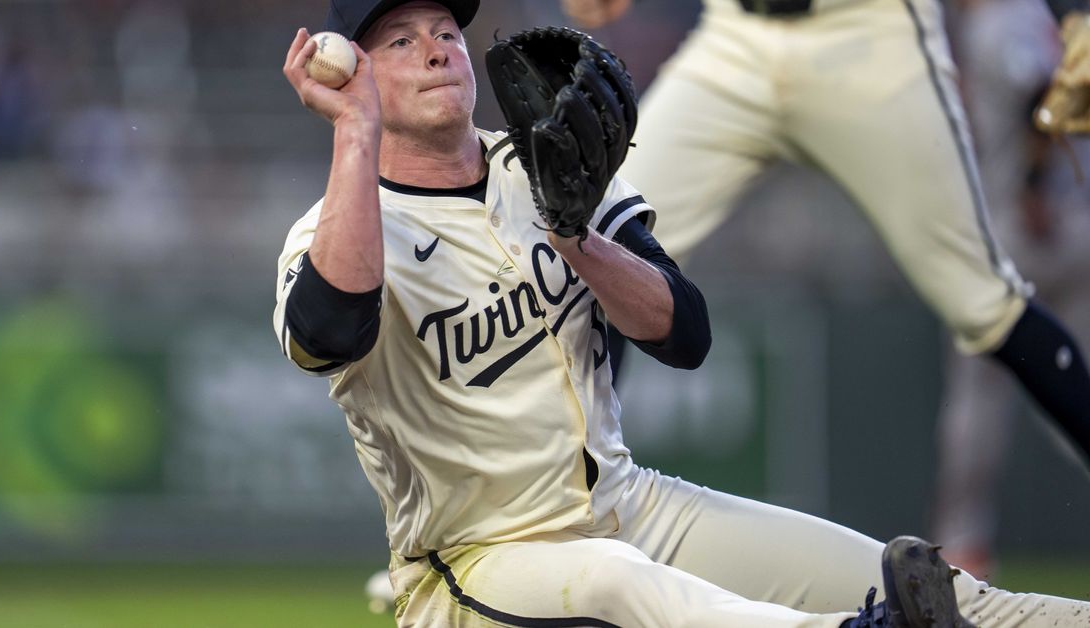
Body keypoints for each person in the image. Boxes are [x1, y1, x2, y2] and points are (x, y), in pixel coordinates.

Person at [275, 0, 1090, 624]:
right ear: (357, 73)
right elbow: (330, 330)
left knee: (932, 589)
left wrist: (577, 238)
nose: (436, 48)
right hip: (480, 561)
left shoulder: (539, 165)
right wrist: (355, 133)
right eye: (400, 41)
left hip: (629, 505)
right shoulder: (331, 231)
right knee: (624, 583)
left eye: (446, 31)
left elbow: (685, 334)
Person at [559, 0, 1090, 471]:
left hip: (870, 34)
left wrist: (1073, 13)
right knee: (599, 245)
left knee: (983, 303)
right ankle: (576, 507)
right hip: (736, 37)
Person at [929, 0, 1090, 581]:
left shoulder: (1003, 20)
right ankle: (963, 542)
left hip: (1023, 230)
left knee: (978, 399)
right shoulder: (1035, 17)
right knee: (1075, 388)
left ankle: (963, 545)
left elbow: (1038, 94)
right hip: (1069, 226)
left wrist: (1033, 185)